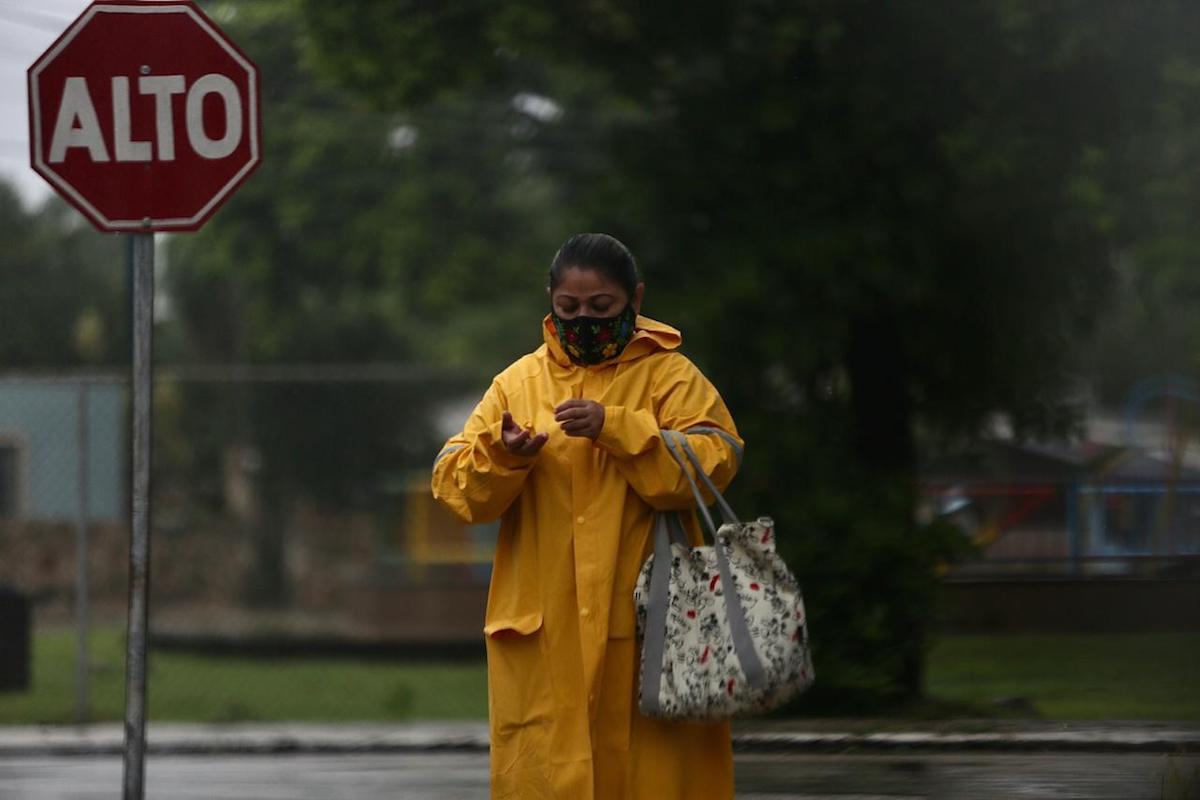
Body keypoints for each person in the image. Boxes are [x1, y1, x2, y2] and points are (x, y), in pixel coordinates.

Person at [431, 233, 743, 799]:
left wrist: (618, 428)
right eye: (568, 309)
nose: (583, 321)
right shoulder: (517, 383)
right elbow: (456, 489)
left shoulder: (671, 377)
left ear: (635, 299)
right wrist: (505, 456)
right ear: (549, 302)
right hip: (543, 637)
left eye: (601, 308)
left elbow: (712, 464)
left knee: (658, 779)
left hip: (654, 632)